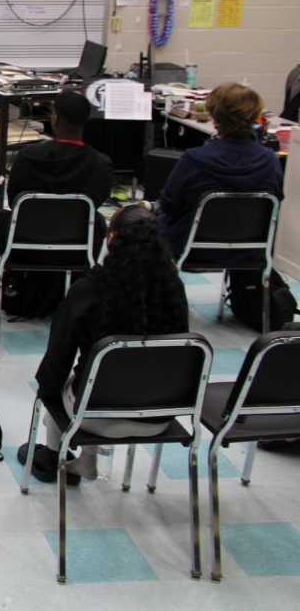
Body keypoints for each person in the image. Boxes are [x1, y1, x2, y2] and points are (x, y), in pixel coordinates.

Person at [23, 203, 189, 483]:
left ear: (111, 239)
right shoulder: (173, 289)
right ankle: (85, 463)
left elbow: (57, 358)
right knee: (101, 372)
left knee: (61, 379)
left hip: (96, 414)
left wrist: (48, 395)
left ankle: (53, 457)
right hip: (161, 415)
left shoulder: (88, 290)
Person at [0, 90, 114, 319]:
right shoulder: (102, 164)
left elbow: (14, 202)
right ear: (86, 121)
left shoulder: (28, 155)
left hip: (21, 244)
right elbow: (97, 201)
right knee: (99, 221)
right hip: (74, 250)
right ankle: (80, 288)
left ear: (55, 118)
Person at [157, 82, 284, 260]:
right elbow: (275, 203)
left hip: (191, 249)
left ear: (214, 117)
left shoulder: (193, 159)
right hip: (250, 251)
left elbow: (169, 204)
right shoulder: (270, 160)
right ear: (256, 117)